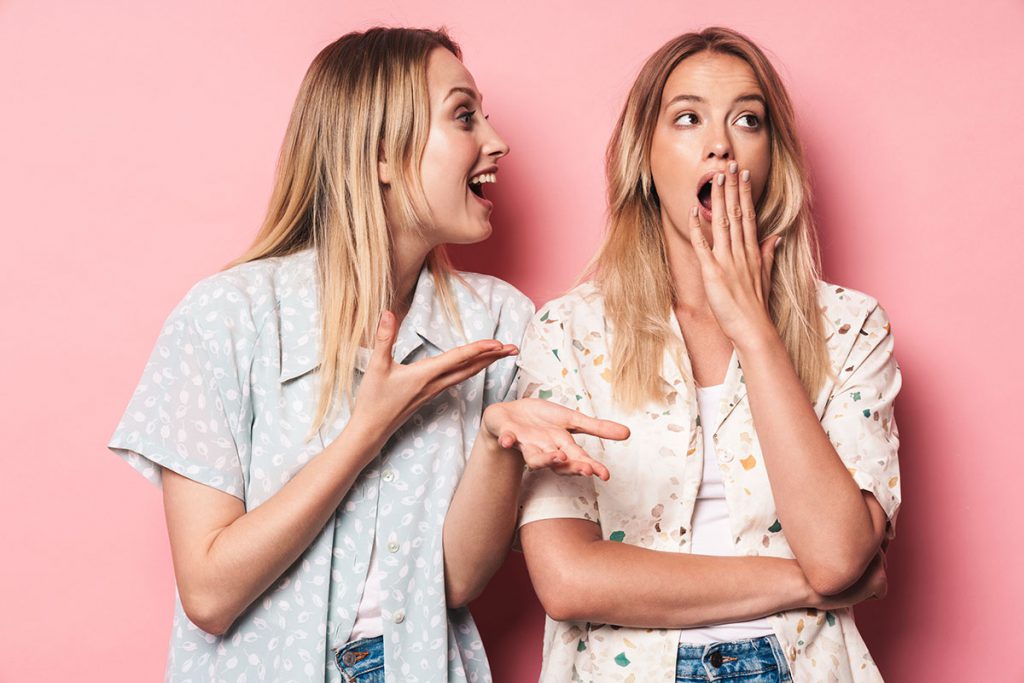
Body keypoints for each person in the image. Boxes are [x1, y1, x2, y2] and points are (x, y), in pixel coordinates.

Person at [108, 27, 626, 683]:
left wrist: (497, 442)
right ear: (381, 153)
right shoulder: (226, 318)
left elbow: (457, 579)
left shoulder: (500, 323)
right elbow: (210, 594)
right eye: (464, 115)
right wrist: (367, 429)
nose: (496, 141)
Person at [516, 27, 901, 682]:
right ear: (645, 156)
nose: (719, 143)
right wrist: (803, 583)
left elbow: (837, 555)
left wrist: (755, 328)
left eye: (747, 120)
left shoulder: (852, 327)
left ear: (773, 157)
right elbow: (568, 580)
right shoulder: (566, 331)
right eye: (687, 118)